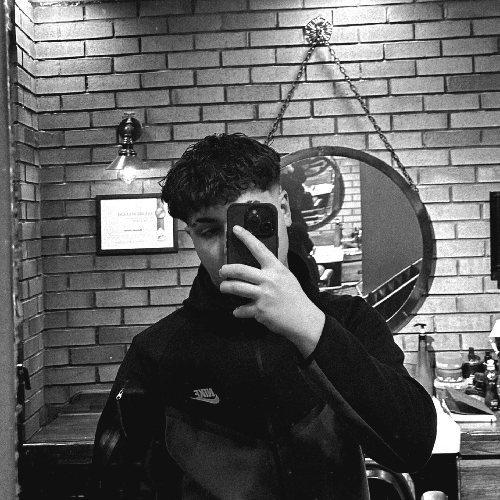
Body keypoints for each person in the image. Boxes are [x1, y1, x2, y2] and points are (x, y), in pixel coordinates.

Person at [93, 133, 437, 500]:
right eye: (209, 231)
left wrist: (309, 326)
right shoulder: (157, 351)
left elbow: (412, 447)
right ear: (191, 235)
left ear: (284, 209)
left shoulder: (349, 320)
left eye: (253, 222)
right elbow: (116, 484)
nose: (233, 246)